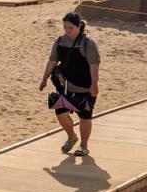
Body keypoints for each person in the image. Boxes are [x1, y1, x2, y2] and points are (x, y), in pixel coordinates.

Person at [39, 11, 101, 156]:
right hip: (64, 86)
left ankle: (83, 146)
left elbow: (94, 65)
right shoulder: (60, 41)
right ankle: (72, 137)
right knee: (60, 114)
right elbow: (52, 61)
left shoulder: (88, 43)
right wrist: (44, 79)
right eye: (65, 27)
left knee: (84, 116)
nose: (67, 30)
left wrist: (94, 84)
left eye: (70, 28)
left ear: (78, 26)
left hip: (85, 87)